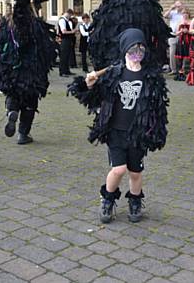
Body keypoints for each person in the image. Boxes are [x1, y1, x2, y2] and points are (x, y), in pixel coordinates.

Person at [68, 28, 168, 223]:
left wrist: (155, 131)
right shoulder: (114, 73)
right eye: (133, 49)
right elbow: (92, 95)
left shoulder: (150, 77)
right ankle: (107, 199)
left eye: (141, 49)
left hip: (137, 133)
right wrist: (88, 83)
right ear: (124, 50)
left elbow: (158, 108)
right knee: (118, 169)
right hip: (115, 131)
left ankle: (135, 201)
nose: (137, 53)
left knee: (136, 172)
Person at [0, 0, 57, 145]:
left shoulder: (7, 24)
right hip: (32, 69)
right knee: (30, 100)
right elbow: (45, 49)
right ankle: (23, 134)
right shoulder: (35, 25)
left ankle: (12, 111)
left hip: (12, 68)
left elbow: (0, 45)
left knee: (14, 93)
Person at [88, 0, 170, 70]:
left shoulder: (108, 6)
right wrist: (159, 61)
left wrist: (100, 65)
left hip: (112, 65)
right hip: (140, 63)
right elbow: (160, 36)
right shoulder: (148, 6)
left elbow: (96, 38)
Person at [164, 0, 185, 75]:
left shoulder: (184, 13)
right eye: (177, 6)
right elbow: (165, 16)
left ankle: (182, 69)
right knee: (172, 53)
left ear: (182, 6)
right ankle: (173, 69)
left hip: (182, 35)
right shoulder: (172, 13)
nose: (178, 7)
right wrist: (170, 8)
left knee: (182, 52)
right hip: (172, 35)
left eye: (179, 6)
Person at [174, 9, 192, 81]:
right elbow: (176, 33)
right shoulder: (179, 22)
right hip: (181, 40)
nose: (185, 14)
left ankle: (187, 72)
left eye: (186, 13)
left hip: (189, 41)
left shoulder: (191, 22)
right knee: (179, 57)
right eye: (184, 13)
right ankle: (180, 73)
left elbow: (193, 32)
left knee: (187, 57)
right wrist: (181, 31)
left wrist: (188, 31)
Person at [58, 9, 76, 76]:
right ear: (67, 13)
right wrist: (72, 31)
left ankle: (67, 70)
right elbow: (63, 31)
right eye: (70, 15)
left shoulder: (69, 20)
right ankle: (62, 71)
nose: (70, 16)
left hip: (69, 39)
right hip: (64, 40)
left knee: (68, 55)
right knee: (63, 56)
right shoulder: (62, 20)